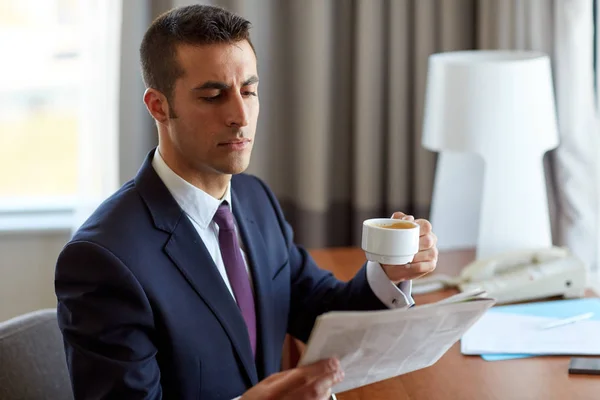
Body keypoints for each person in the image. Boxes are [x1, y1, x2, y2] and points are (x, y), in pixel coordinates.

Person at [54, 4, 438, 400]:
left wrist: (389, 273)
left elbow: (323, 311)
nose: (240, 115)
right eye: (213, 96)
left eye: (249, 91)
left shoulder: (255, 200)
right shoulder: (102, 260)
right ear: (159, 106)